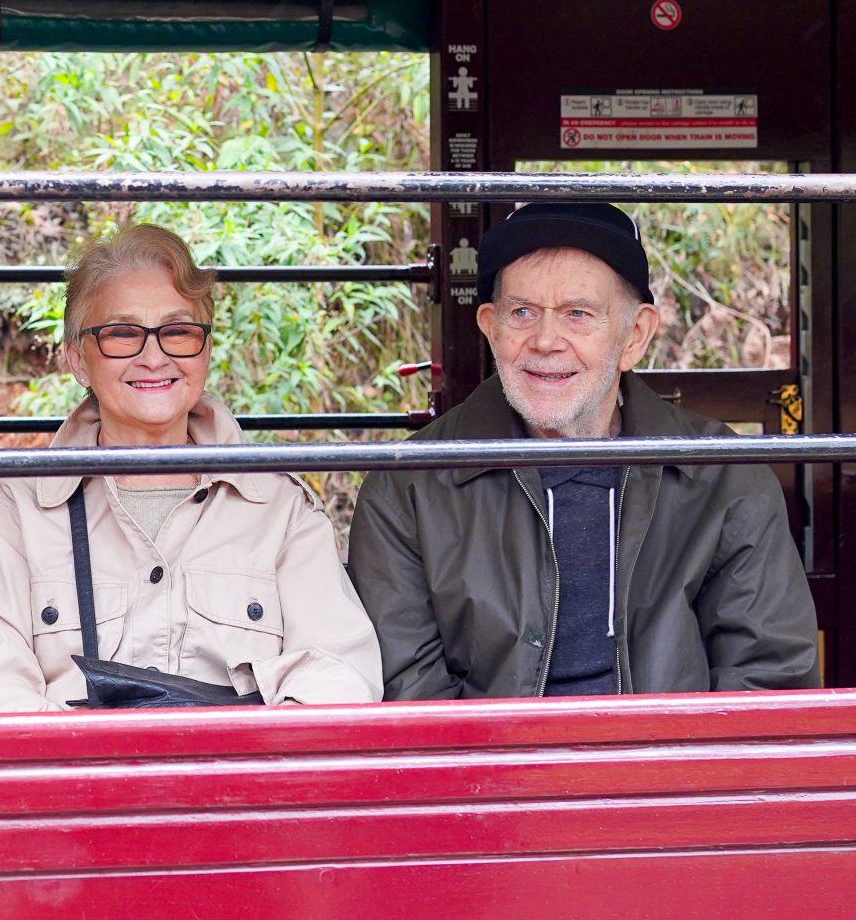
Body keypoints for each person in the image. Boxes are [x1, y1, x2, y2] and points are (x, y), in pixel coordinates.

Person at [348, 202, 818, 699]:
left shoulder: (722, 476)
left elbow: (768, 677)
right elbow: (409, 691)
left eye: (578, 314)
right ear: (491, 327)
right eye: (522, 312)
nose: (546, 340)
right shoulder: (408, 485)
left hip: (665, 768)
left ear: (634, 336)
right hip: (490, 771)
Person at [0, 224, 382, 711]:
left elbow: (341, 673)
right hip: (78, 785)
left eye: (178, 332)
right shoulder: (13, 513)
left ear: (206, 349)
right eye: (121, 334)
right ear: (77, 359)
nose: (153, 357)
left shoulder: (281, 509)